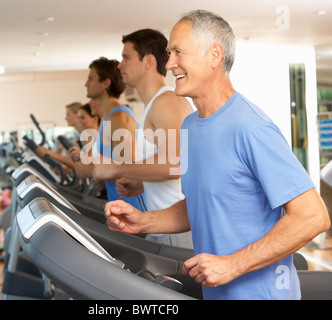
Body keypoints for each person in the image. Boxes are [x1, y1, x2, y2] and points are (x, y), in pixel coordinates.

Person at [104, 10, 330, 300]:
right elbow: (199, 203)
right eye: (168, 53)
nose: (170, 63)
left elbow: (312, 216)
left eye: (177, 52)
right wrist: (143, 221)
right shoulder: (191, 126)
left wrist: (233, 264)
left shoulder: (251, 128)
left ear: (214, 55)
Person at [92, 29, 194, 248]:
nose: (120, 65)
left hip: (178, 228)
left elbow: (175, 164)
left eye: (126, 58)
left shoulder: (167, 102)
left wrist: (117, 168)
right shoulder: (153, 105)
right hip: (162, 225)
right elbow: (171, 166)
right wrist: (142, 183)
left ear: (148, 62)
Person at [78, 56, 147, 211]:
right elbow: (115, 167)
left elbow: (130, 171)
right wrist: (103, 178)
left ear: (106, 83)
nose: (86, 84)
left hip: (134, 208)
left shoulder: (119, 118)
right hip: (120, 205)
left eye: (91, 79)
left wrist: (92, 171)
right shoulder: (107, 118)